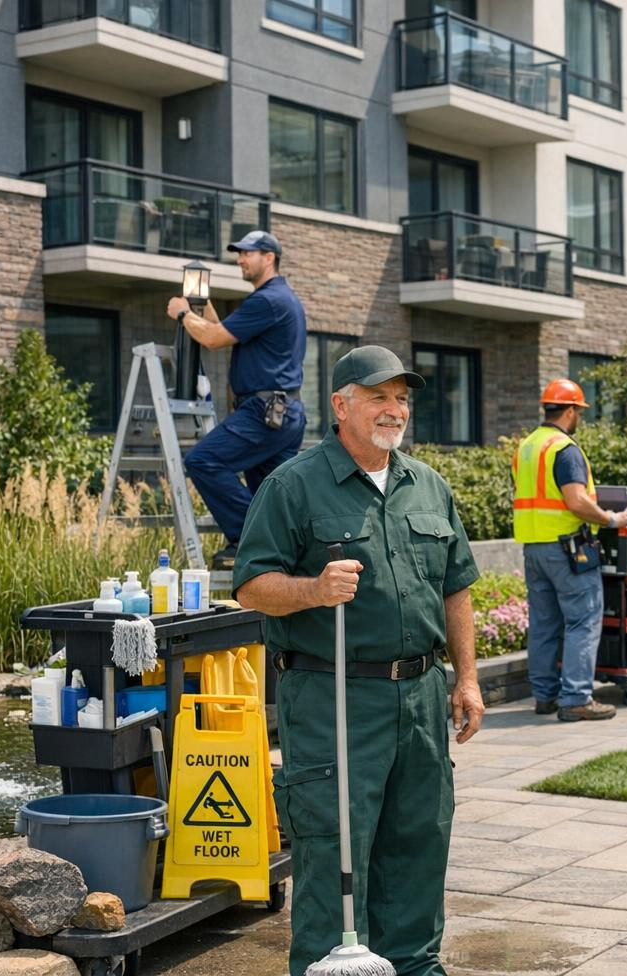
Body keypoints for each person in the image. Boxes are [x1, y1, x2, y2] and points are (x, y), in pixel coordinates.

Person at [232, 345, 485, 976]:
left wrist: (469, 679)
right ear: (341, 405)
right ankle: (329, 967)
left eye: (402, 398)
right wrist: (314, 589)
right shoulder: (293, 485)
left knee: (419, 842)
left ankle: (415, 967)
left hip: (421, 698)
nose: (394, 409)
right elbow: (251, 585)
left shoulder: (427, 484)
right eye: (379, 396)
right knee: (337, 850)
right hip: (333, 697)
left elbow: (456, 585)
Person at [167, 230, 306, 570]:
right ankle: (279, 559)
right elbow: (225, 332)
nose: (240, 260)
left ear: (268, 258)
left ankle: (251, 541)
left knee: (203, 461)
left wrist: (184, 314)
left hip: (265, 411)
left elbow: (213, 340)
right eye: (239, 254)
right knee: (270, 495)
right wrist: (205, 305)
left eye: (247, 253)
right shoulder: (276, 300)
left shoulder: (269, 300)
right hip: (281, 413)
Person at [512, 378, 627, 722]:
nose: (579, 417)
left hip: (534, 549)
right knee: (583, 619)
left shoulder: (526, 447)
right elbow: (577, 501)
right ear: (569, 411)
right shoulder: (563, 448)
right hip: (567, 549)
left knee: (543, 623)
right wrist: (611, 520)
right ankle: (576, 698)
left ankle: (545, 696)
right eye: (578, 411)